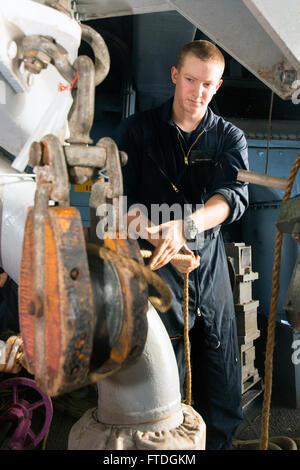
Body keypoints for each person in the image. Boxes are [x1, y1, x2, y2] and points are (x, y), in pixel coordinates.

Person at [115, 40, 249, 450]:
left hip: (208, 263)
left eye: (208, 84)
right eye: (190, 80)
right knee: (163, 371)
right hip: (155, 263)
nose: (198, 92)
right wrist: (157, 233)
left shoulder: (229, 137)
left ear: (218, 85)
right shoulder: (137, 131)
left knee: (221, 368)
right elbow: (119, 201)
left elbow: (232, 198)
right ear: (175, 76)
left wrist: (187, 225)